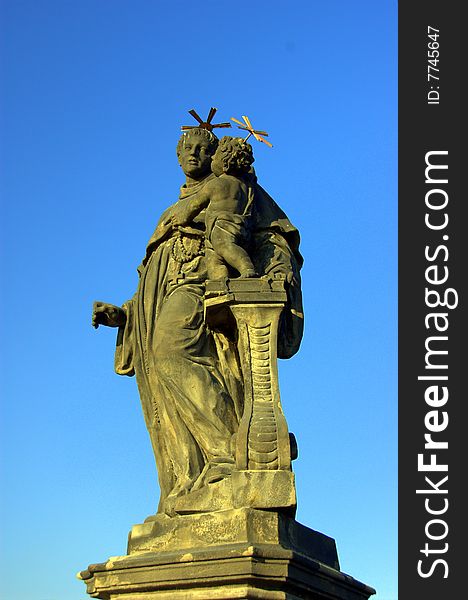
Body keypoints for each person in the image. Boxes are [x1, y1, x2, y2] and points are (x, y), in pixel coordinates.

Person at [92, 126, 303, 515]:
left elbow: (276, 239)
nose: (193, 154)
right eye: (187, 148)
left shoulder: (233, 189)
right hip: (171, 298)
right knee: (163, 359)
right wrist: (124, 314)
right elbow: (156, 280)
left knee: (171, 351)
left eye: (202, 148)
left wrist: (269, 275)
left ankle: (226, 458)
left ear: (215, 154)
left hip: (208, 293)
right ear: (177, 155)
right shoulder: (174, 209)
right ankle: (198, 474)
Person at [170, 136, 256, 279]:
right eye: (188, 148)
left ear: (224, 163)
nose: (212, 158)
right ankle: (220, 282)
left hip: (221, 227)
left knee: (226, 248)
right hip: (241, 226)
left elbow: (194, 205)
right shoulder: (246, 186)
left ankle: (247, 268)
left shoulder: (215, 185)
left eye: (213, 155)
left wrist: (181, 217)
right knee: (213, 259)